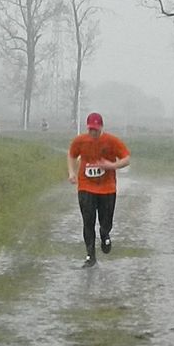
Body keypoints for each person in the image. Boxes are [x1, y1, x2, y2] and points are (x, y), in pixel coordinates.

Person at [67, 112, 131, 268]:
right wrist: (71, 172)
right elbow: (72, 155)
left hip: (107, 188)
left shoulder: (111, 141)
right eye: (90, 129)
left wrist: (112, 166)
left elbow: (126, 158)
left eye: (95, 129)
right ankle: (90, 255)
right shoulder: (80, 141)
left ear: (101, 127)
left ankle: (105, 235)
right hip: (85, 186)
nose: (93, 132)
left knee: (105, 221)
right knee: (88, 221)